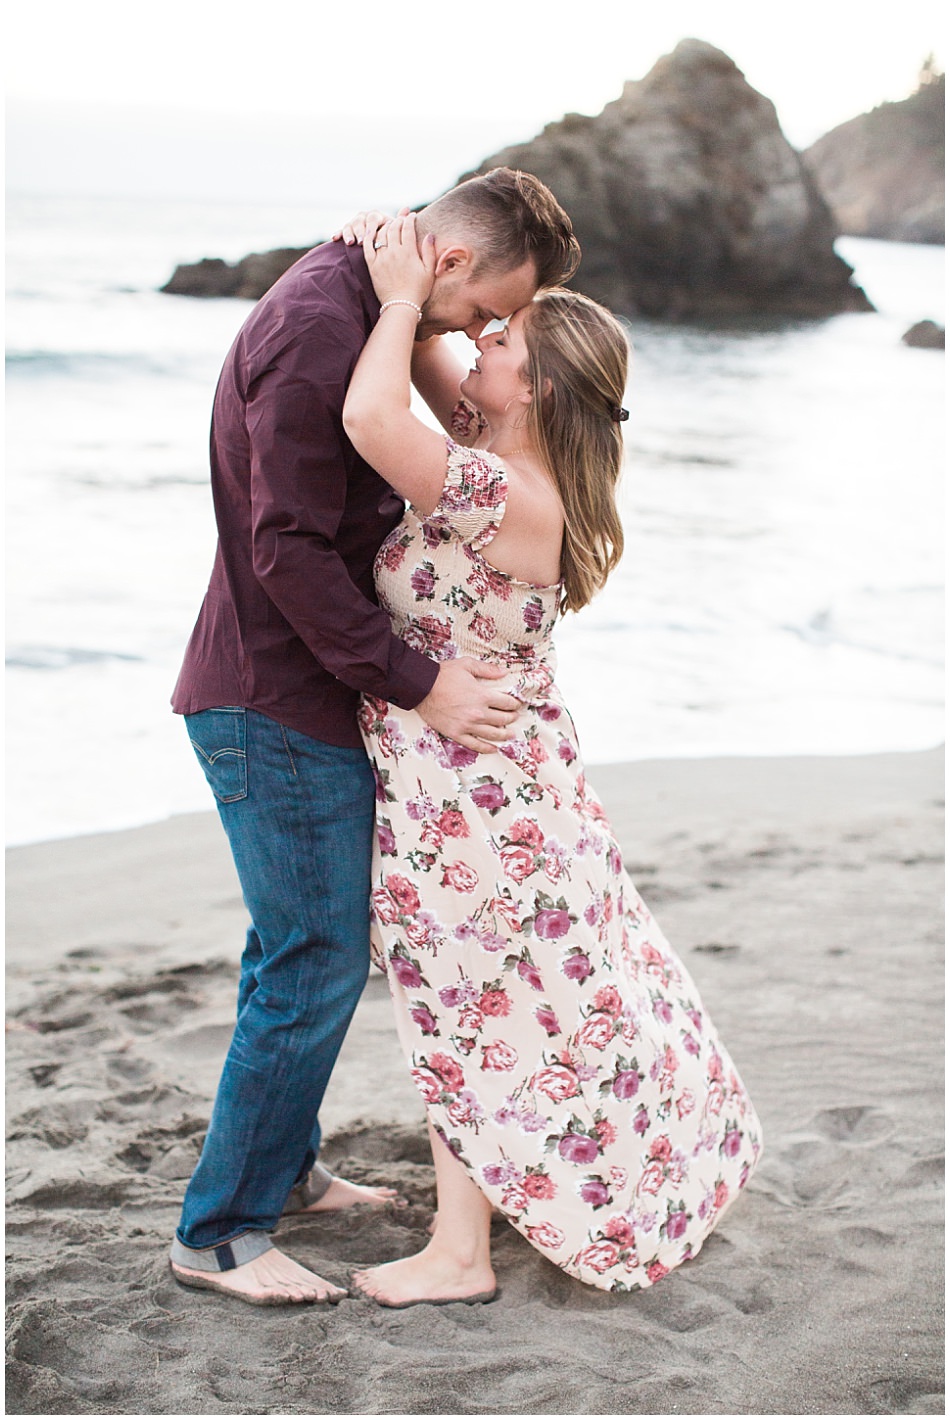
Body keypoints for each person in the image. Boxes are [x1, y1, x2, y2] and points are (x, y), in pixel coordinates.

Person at [167, 170, 581, 1306]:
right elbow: (284, 549)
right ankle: (221, 1232)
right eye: (486, 308)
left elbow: (425, 438)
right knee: (314, 962)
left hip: (303, 691)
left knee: (298, 950)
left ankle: (286, 1171)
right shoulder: (320, 327)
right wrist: (423, 686)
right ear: (446, 263)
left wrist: (394, 274)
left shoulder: (369, 303)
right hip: (273, 698)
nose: (485, 334)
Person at [339, 213, 763, 1306]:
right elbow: (434, 357)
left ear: (532, 389)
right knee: (508, 995)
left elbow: (372, 409)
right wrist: (399, 261)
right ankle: (483, 1222)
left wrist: (394, 301)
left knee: (465, 1000)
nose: (478, 342)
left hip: (473, 789)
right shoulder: (495, 454)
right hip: (486, 773)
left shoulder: (505, 495)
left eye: (504, 340)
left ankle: (460, 1255)